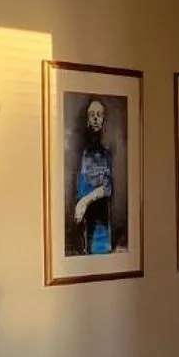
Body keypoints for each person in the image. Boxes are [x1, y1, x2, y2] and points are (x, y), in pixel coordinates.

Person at [72, 99, 117, 255]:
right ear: (87, 120)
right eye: (92, 115)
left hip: (101, 227)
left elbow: (108, 188)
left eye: (99, 115)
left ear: (103, 120)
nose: (96, 118)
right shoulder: (81, 153)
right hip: (83, 225)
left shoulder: (106, 154)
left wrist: (85, 201)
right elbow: (80, 186)